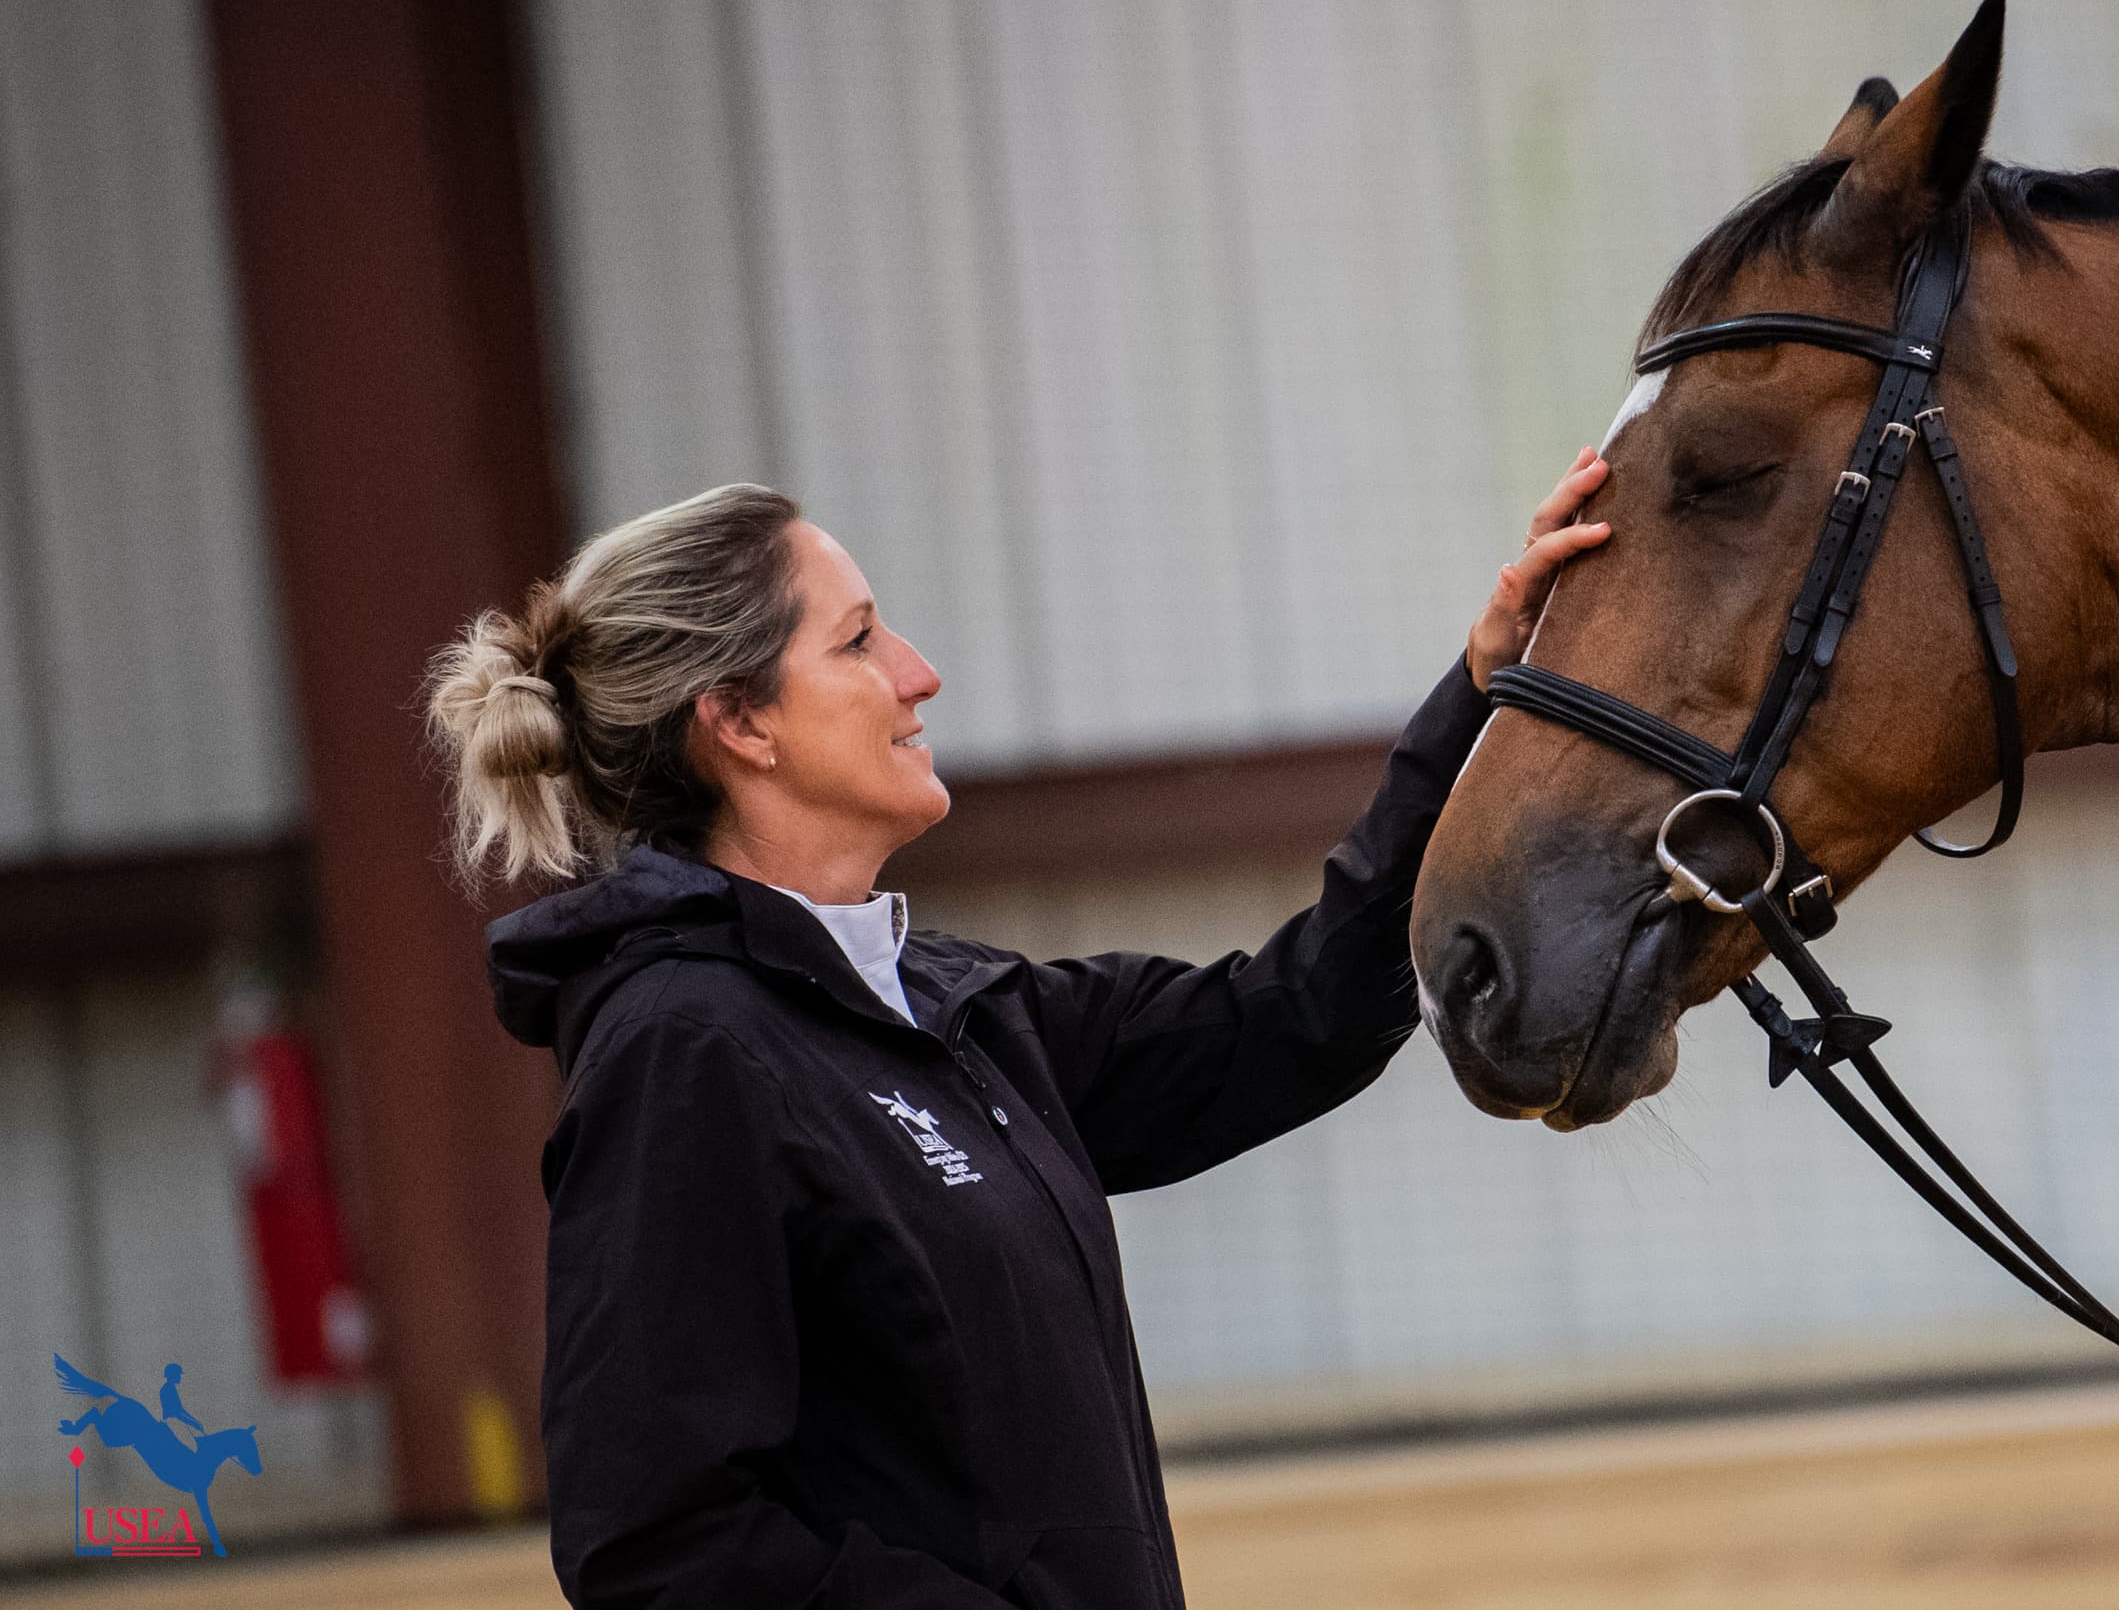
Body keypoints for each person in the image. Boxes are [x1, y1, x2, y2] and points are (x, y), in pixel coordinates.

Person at [426, 461, 1609, 1609]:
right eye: (857, 641)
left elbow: (1290, 1016)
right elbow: (657, 1546)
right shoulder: (683, 1051)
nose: (919, 674)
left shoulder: (957, 1009)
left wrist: (1484, 683)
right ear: (740, 723)